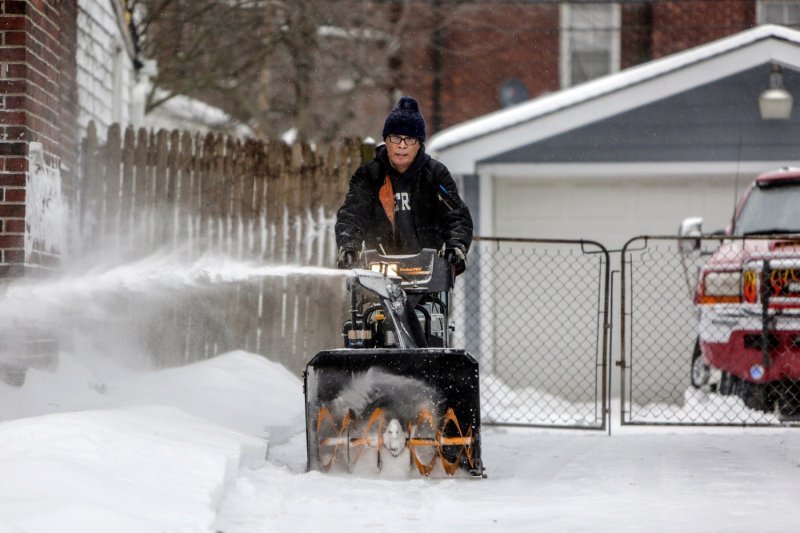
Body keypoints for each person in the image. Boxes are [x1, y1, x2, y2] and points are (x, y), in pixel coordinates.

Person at [335, 96, 473, 273]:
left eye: (409, 139)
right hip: (378, 270)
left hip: (426, 270)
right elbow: (352, 214)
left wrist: (456, 247)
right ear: (386, 140)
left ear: (419, 144)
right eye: (395, 138)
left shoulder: (436, 175)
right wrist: (349, 247)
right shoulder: (369, 175)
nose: (402, 145)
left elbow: (456, 216)